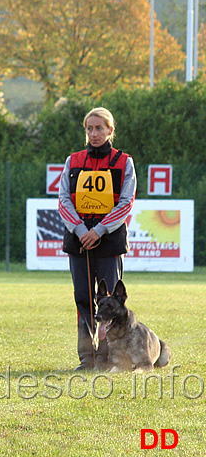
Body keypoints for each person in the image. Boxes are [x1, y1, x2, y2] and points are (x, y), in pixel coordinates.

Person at [58, 107, 136, 370]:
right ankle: (86, 358)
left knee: (110, 303)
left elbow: (126, 202)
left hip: (109, 242)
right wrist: (81, 230)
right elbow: (63, 200)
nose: (94, 133)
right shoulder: (73, 161)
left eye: (99, 128)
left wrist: (99, 230)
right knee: (83, 299)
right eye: (89, 129)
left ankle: (106, 357)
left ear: (110, 131)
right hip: (78, 241)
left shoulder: (124, 162)